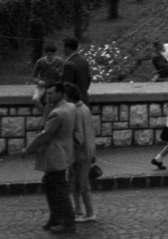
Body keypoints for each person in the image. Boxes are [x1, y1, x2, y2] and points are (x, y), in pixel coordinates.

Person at [25, 83, 78, 233]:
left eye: (51, 94)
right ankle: (56, 218)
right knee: (51, 185)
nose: (48, 97)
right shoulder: (70, 108)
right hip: (64, 152)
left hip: (56, 155)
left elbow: (46, 134)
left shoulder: (58, 113)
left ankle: (67, 222)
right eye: (47, 94)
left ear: (61, 93)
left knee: (58, 189)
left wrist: (28, 149)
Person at [70, 84, 98, 223]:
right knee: (79, 182)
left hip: (80, 153)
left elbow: (78, 137)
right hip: (89, 150)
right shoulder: (84, 108)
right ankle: (79, 209)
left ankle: (89, 212)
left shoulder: (74, 111)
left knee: (81, 183)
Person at [60, 36, 92, 104]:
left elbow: (67, 85)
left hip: (73, 102)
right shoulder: (84, 61)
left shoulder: (69, 64)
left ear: (68, 48)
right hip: (84, 99)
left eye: (63, 47)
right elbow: (88, 79)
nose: (62, 49)